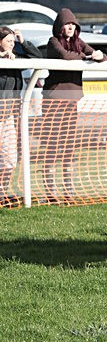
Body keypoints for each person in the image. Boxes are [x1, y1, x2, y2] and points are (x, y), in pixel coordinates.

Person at [42, 8, 107, 203]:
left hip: (72, 102)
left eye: (73, 24)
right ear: (60, 26)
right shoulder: (53, 42)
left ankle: (68, 191)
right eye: (67, 24)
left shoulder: (79, 43)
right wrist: (86, 57)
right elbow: (65, 56)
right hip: (54, 101)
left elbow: (101, 56)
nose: (70, 27)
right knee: (52, 146)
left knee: (69, 147)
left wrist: (98, 55)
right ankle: (51, 192)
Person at [0, 27, 43, 207]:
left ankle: (2, 192)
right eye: (8, 41)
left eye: (13, 41)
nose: (12, 44)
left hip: (8, 116)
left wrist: (23, 42)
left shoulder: (15, 59)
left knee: (10, 159)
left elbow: (37, 57)